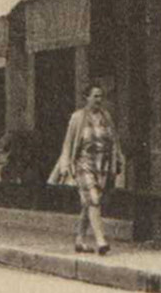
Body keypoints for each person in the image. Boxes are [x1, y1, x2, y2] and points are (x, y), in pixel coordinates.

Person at [49, 84, 121, 255]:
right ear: (86, 98)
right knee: (94, 199)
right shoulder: (78, 117)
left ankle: (80, 240)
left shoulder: (106, 117)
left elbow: (114, 140)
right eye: (95, 96)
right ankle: (101, 240)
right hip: (84, 163)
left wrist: (117, 158)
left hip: (101, 165)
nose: (98, 100)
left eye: (100, 96)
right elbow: (68, 142)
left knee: (88, 203)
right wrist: (65, 165)